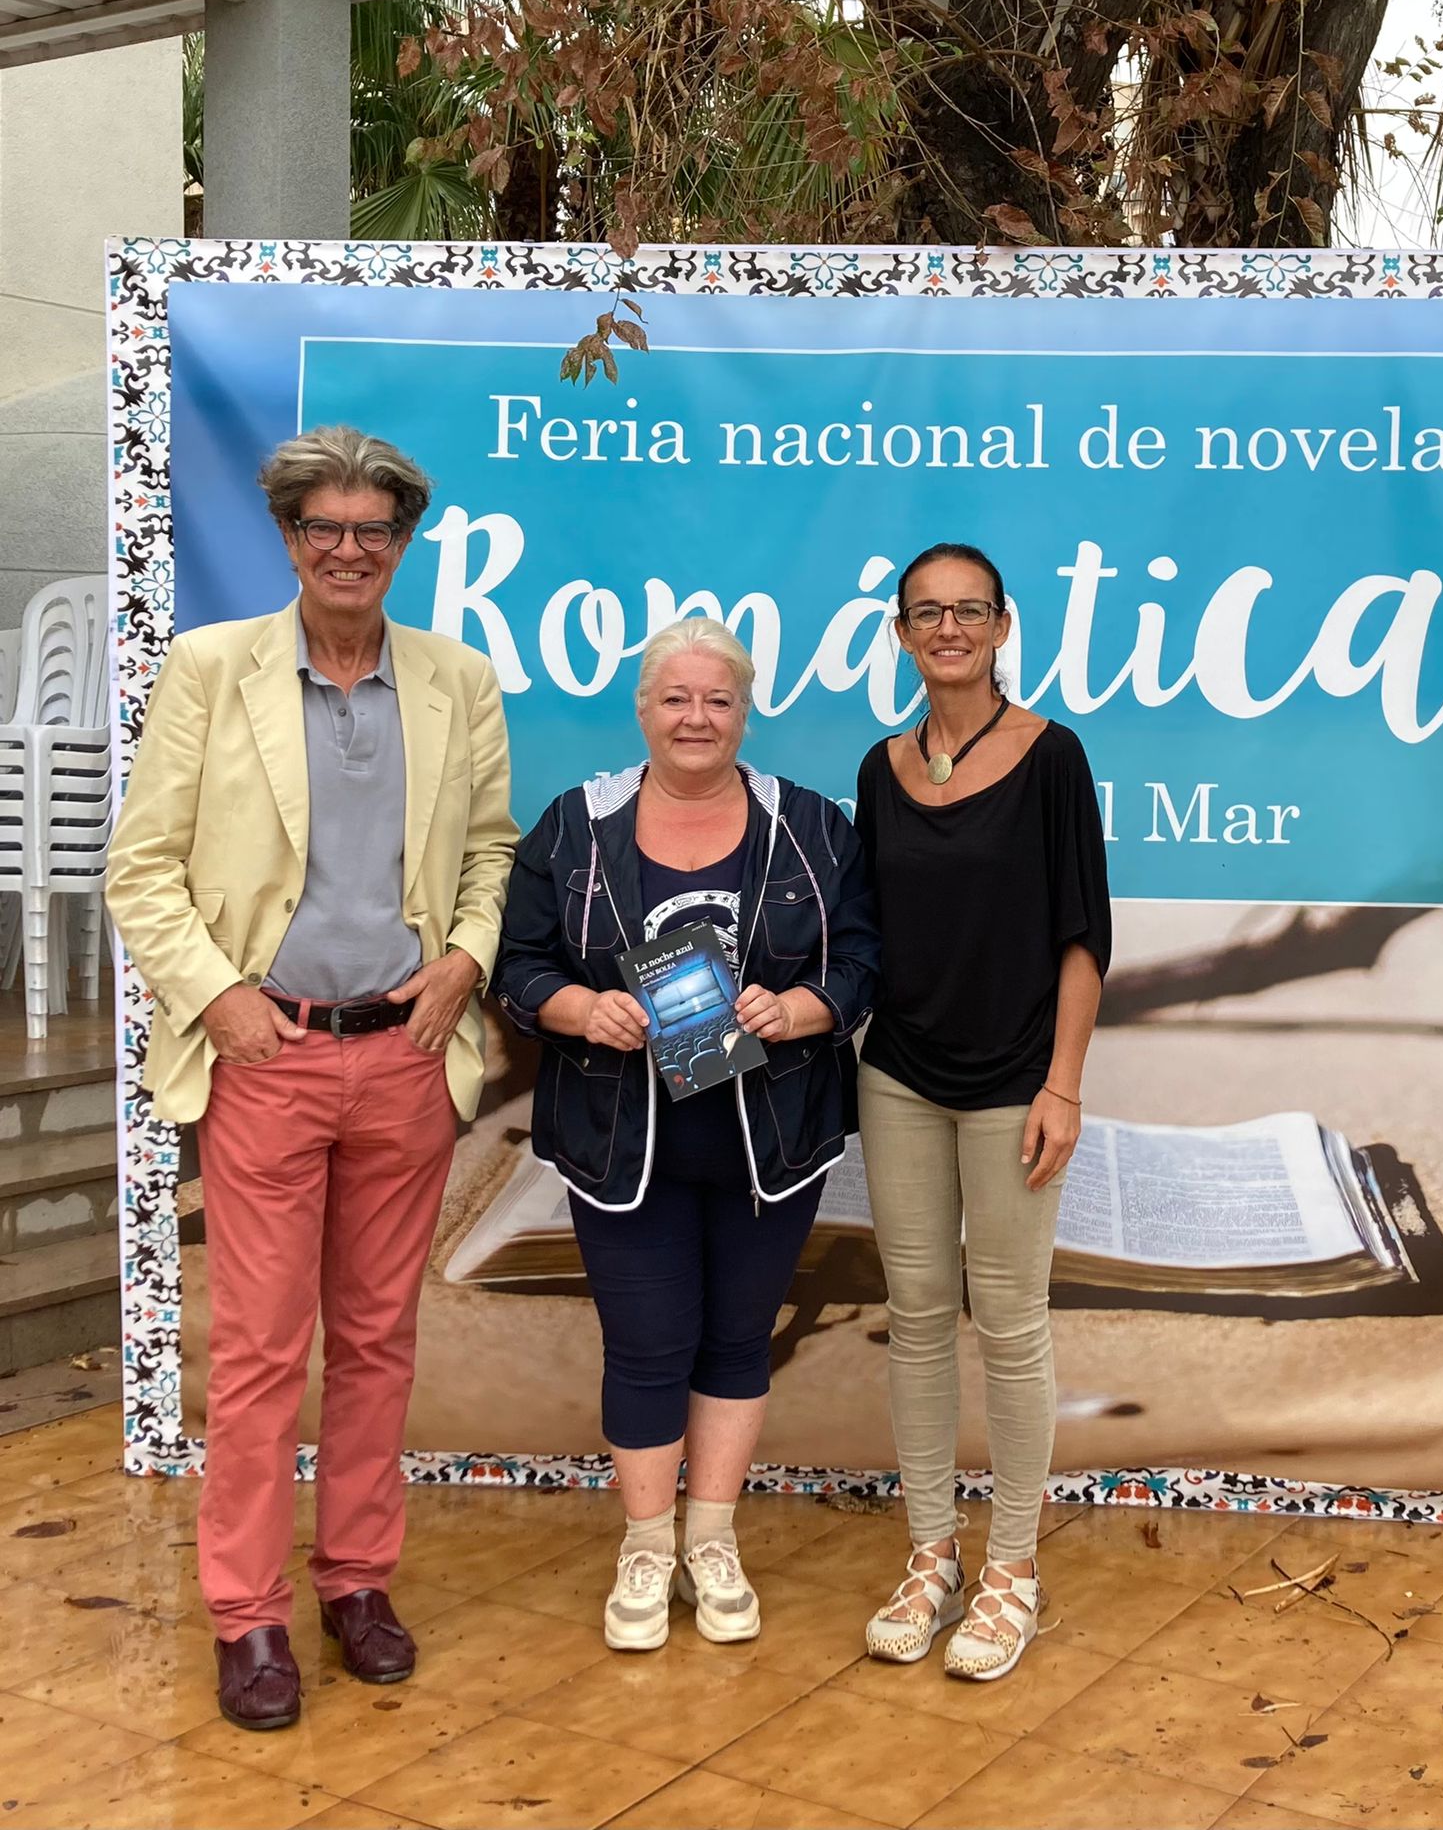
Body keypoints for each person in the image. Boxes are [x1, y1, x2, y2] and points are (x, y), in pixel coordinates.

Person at [105, 427, 516, 1732]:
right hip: (266, 1058)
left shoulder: (457, 679)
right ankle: (247, 1615)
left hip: (401, 1057)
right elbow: (142, 868)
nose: (348, 550)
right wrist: (221, 999)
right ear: (289, 540)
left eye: (373, 532)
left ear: (404, 545)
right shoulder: (211, 670)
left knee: (381, 1343)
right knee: (265, 1351)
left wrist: (462, 960)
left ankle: (355, 1583)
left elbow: (492, 851)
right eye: (324, 529)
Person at [493, 617, 878, 1653]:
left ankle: (713, 1538)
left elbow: (862, 961)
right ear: (643, 708)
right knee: (647, 1343)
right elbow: (514, 961)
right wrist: (579, 1009)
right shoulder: (575, 824)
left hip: (769, 1139)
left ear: (744, 711)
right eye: (675, 697)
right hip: (622, 1141)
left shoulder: (809, 826)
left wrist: (801, 1011)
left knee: (734, 1339)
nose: (695, 717)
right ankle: (646, 1542)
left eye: (717, 699)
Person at [856, 542, 1111, 1681]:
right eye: (926, 612)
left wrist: (1062, 1081)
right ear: (902, 632)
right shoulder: (878, 767)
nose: (948, 627)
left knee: (1008, 1320)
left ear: (1003, 625)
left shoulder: (1053, 756)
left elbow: (1083, 935)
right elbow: (863, 933)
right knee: (915, 1312)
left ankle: (1011, 1567)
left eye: (969, 610)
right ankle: (929, 1552)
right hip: (898, 1073)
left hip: (1016, 1082)